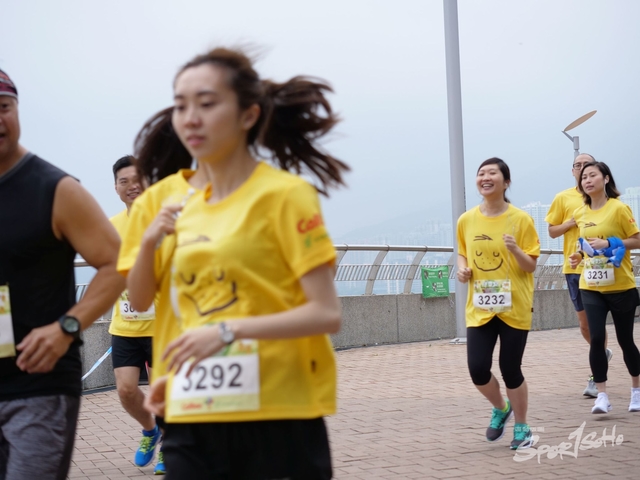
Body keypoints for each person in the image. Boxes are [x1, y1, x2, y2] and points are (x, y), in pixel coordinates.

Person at [123, 47, 349, 479]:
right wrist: (150, 240)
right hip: (192, 408)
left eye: (207, 104)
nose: (190, 118)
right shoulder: (163, 202)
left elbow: (326, 313)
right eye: (180, 105)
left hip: (279, 408)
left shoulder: (286, 195)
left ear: (248, 115)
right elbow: (143, 300)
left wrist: (226, 332)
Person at [0, 69, 124, 479]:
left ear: (18, 110)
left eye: (4, 107)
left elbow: (115, 264)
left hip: (38, 385)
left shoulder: (56, 189)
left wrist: (66, 327)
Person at [456, 158, 540, 450]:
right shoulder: (466, 220)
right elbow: (463, 252)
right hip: (480, 307)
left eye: (493, 173)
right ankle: (501, 408)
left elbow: (530, 265)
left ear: (506, 182)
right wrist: (462, 269)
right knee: (477, 368)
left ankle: (522, 426)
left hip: (514, 306)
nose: (485, 177)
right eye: (481, 173)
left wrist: (515, 249)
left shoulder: (521, 219)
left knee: (510, 367)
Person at [568, 161, 640, 414]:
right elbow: (586, 245)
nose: (587, 180)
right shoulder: (580, 213)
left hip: (621, 287)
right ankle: (602, 395)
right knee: (596, 338)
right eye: (583, 177)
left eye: (592, 175)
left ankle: (636, 391)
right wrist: (579, 255)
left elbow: (637, 240)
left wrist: (609, 243)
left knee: (625, 340)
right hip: (591, 286)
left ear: (606, 179)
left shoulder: (618, 208)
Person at [109, 155, 165, 473]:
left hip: (162, 324)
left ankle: (170, 444)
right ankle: (150, 430)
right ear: (116, 187)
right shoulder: (112, 226)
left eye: (137, 180)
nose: (131, 186)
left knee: (161, 392)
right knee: (126, 390)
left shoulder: (163, 221)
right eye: (124, 181)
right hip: (125, 325)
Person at [546, 153, 612, 398]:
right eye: (578, 166)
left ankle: (597, 375)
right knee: (585, 325)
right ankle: (602, 353)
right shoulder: (563, 198)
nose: (582, 169)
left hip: (601, 267)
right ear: (573, 172)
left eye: (587, 166)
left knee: (598, 324)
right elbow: (552, 231)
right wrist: (571, 223)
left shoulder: (607, 199)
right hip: (574, 269)